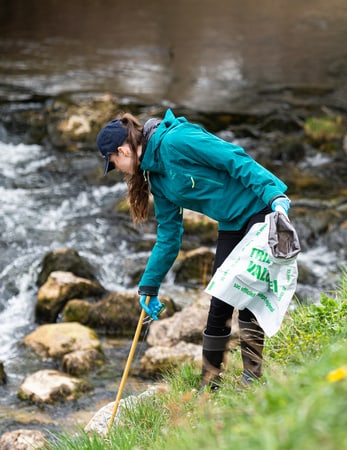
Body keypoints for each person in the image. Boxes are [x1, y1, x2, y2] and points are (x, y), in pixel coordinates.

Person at [96, 109, 291, 389]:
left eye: (113, 163)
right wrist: (148, 286)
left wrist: (275, 194)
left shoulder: (178, 141)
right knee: (220, 300)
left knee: (249, 295)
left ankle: (252, 379)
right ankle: (210, 386)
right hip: (231, 221)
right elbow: (169, 236)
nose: (118, 170)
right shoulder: (157, 178)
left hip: (260, 210)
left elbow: (234, 157)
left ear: (123, 150)